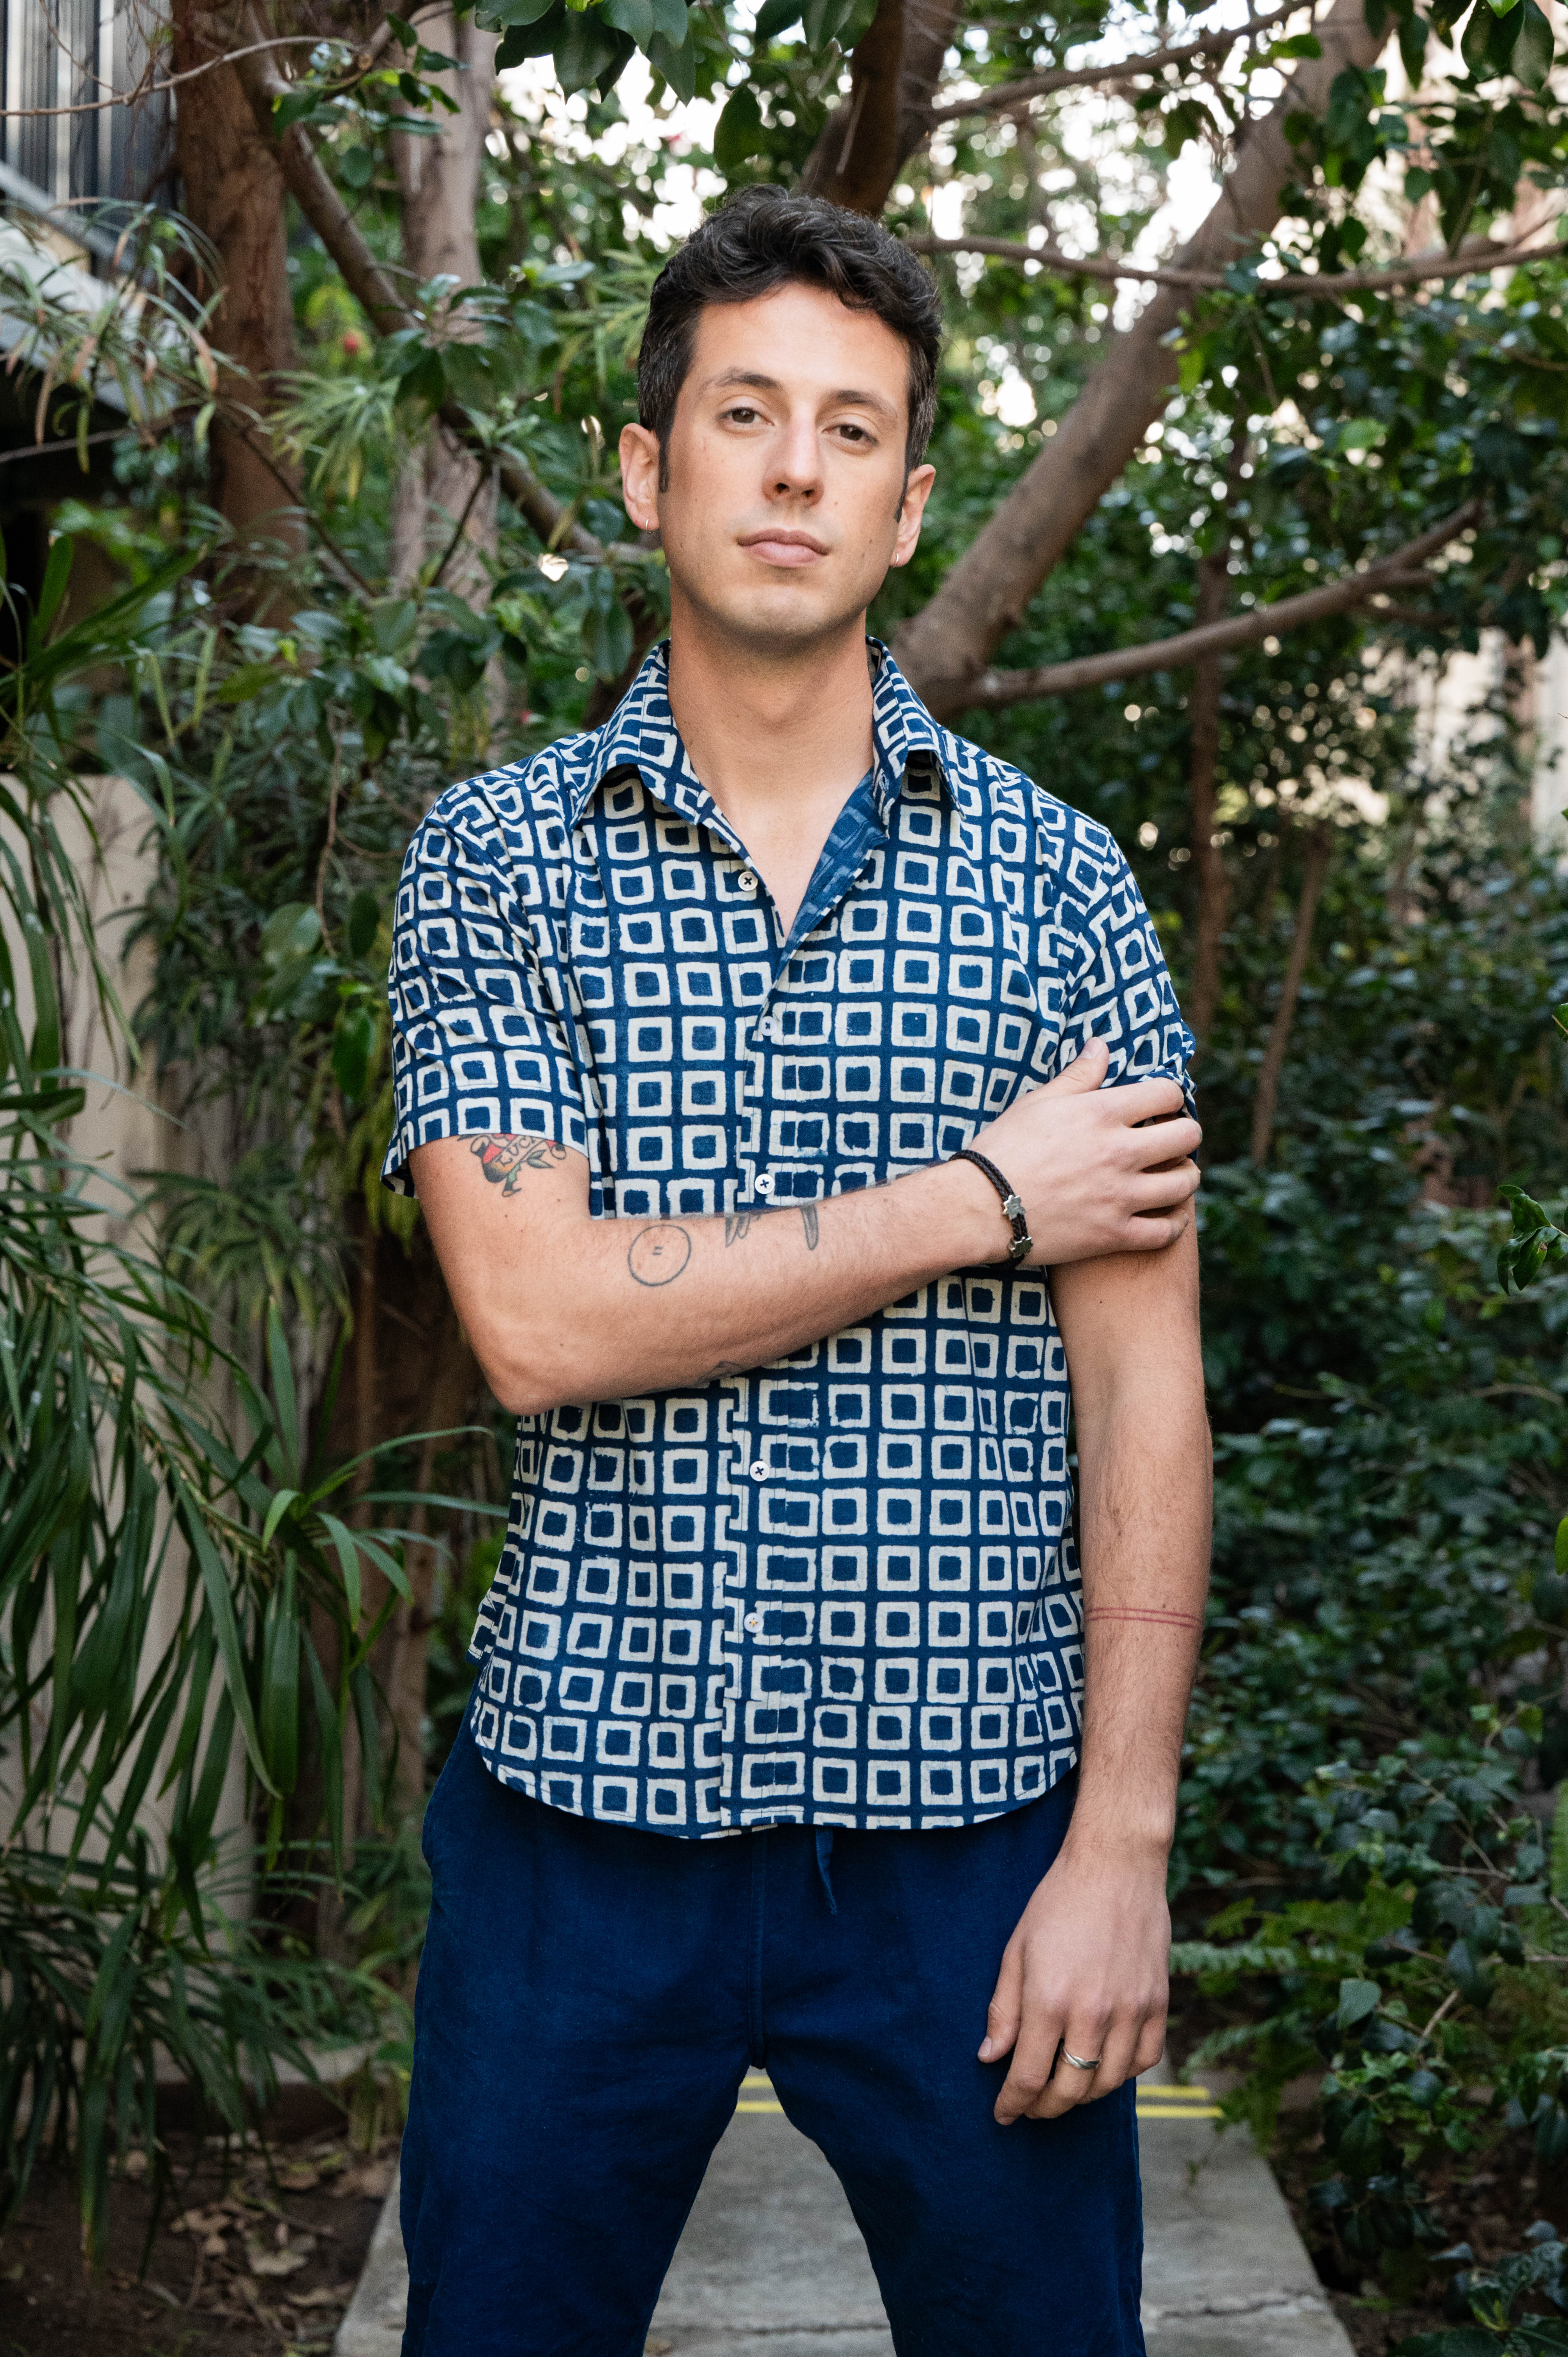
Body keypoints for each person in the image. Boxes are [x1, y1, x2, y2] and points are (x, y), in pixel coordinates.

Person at [384, 186, 1211, 2357]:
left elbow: (1145, 1389)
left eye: (851, 431)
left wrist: (1119, 1845)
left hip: (974, 1842)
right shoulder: (495, 866)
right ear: (649, 470)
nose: (791, 469)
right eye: (742, 415)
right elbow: (539, 1323)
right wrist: (973, 1200)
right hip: (583, 1825)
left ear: (912, 500)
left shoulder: (1059, 892)